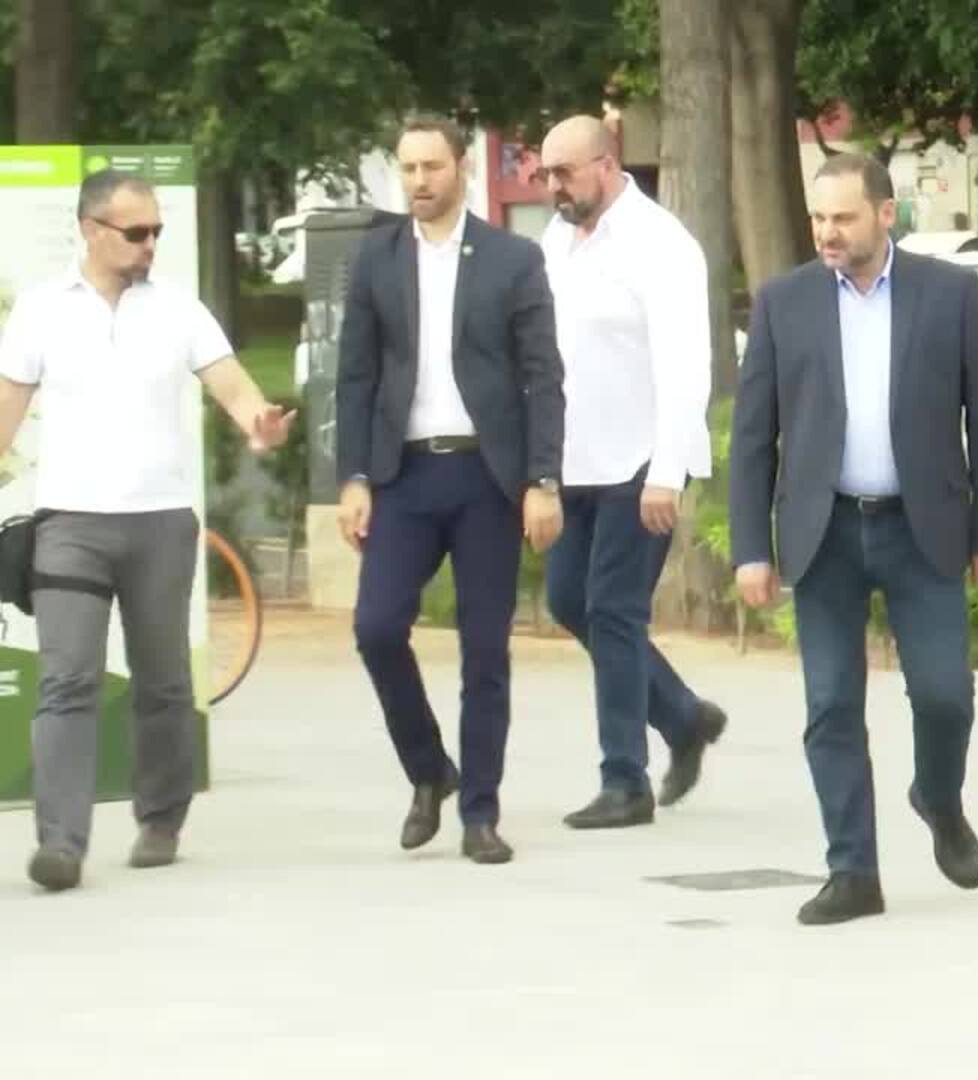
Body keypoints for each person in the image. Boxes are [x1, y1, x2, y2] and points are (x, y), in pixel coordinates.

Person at [729, 153, 978, 926]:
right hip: (823, 531)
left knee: (946, 695)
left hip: (922, 527)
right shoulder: (784, 302)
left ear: (886, 214)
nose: (828, 232)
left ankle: (939, 797)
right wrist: (751, 547)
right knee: (830, 704)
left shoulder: (949, 295)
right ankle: (852, 871)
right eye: (819, 218)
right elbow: (753, 436)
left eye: (844, 218)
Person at [0, 169, 294, 892]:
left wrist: (257, 421)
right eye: (136, 232)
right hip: (68, 523)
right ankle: (61, 843)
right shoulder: (40, 309)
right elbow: (7, 406)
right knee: (67, 679)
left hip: (160, 523)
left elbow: (230, 382)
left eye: (156, 231)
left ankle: (161, 818)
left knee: (162, 680)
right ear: (90, 230)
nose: (150, 243)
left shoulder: (178, 308)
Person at [336, 116, 566, 866]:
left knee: (484, 650)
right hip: (403, 475)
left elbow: (543, 377)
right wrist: (353, 476)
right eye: (407, 168)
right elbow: (356, 376)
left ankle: (480, 812)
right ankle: (430, 769)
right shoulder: (376, 259)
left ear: (461, 168)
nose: (418, 181)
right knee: (376, 627)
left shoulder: (512, 258)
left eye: (431, 166)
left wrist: (542, 480)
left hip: (484, 477)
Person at [535, 115, 727, 828]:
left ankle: (625, 780)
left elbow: (685, 365)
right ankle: (682, 716)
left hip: (641, 459)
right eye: (547, 175)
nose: (554, 187)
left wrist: (667, 471)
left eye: (565, 172)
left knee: (613, 610)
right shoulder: (556, 240)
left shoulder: (660, 244)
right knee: (568, 600)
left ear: (607, 164)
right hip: (573, 458)